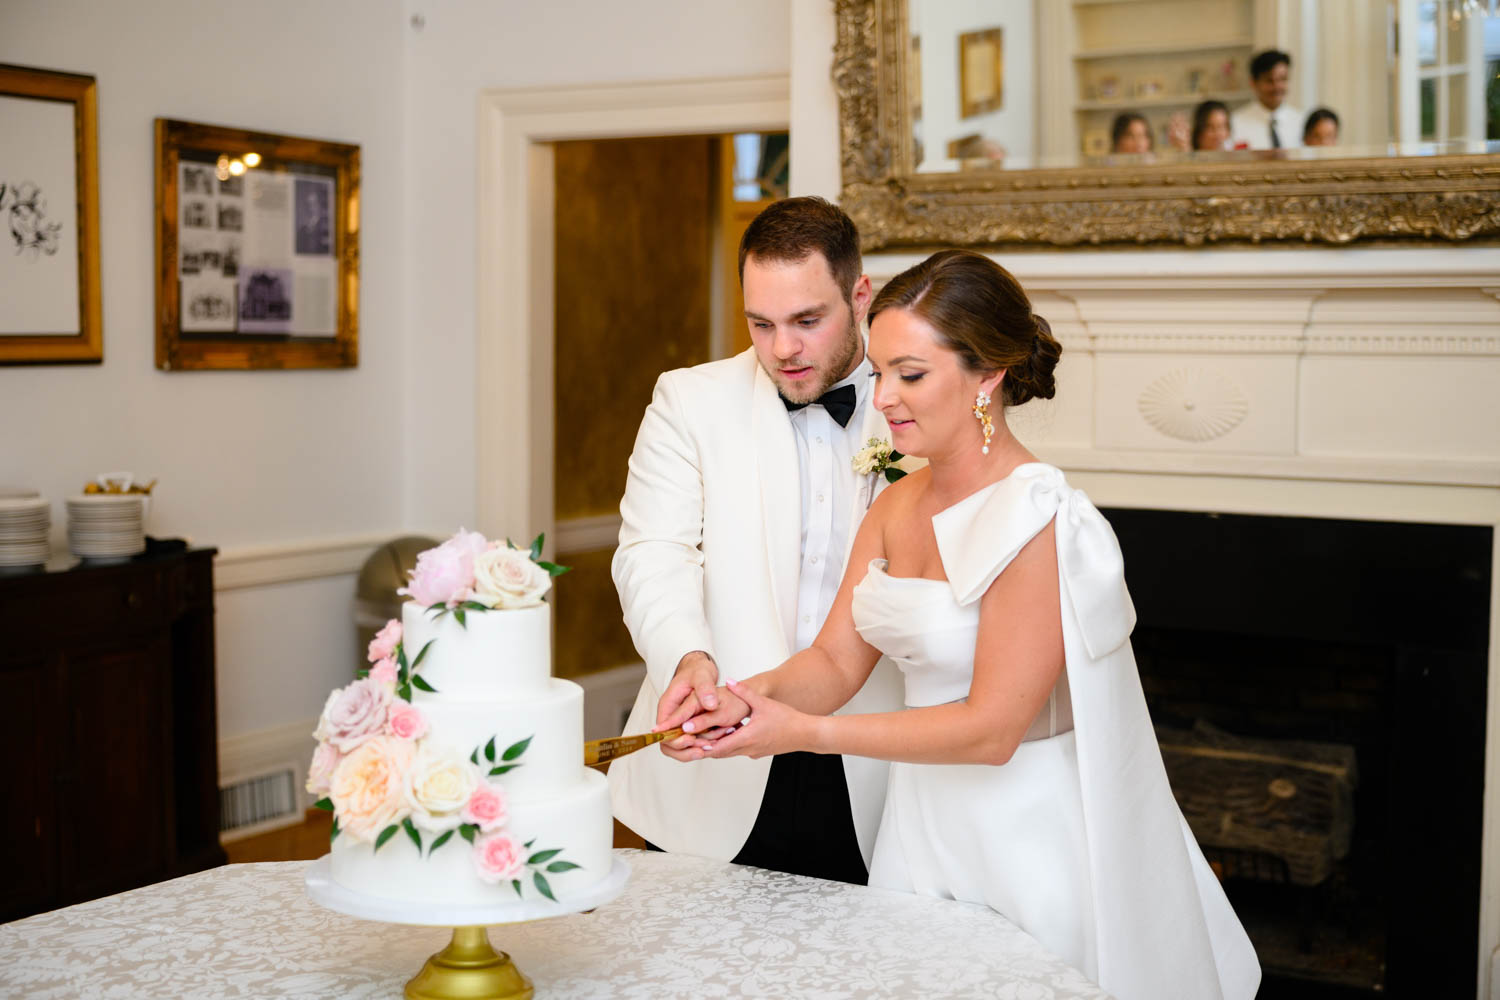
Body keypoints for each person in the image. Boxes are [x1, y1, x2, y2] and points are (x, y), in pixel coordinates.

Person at [674, 249, 1261, 1000]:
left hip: (1027, 839)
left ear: (987, 375)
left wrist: (804, 734)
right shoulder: (892, 505)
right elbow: (832, 663)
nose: (883, 397)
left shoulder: (1038, 517)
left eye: (909, 374)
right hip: (918, 830)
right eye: (879, 371)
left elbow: (992, 730)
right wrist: (744, 698)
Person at [608, 196, 904, 883]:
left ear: (860, 295)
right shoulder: (688, 400)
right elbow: (655, 551)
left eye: (808, 320)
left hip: (867, 768)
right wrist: (686, 657)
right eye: (760, 323)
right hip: (713, 759)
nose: (783, 349)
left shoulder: (917, 406)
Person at [1231, 49, 1303, 150]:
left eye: (1283, 79)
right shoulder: (1235, 124)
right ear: (1253, 83)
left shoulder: (1302, 123)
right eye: (1270, 80)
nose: (1277, 86)